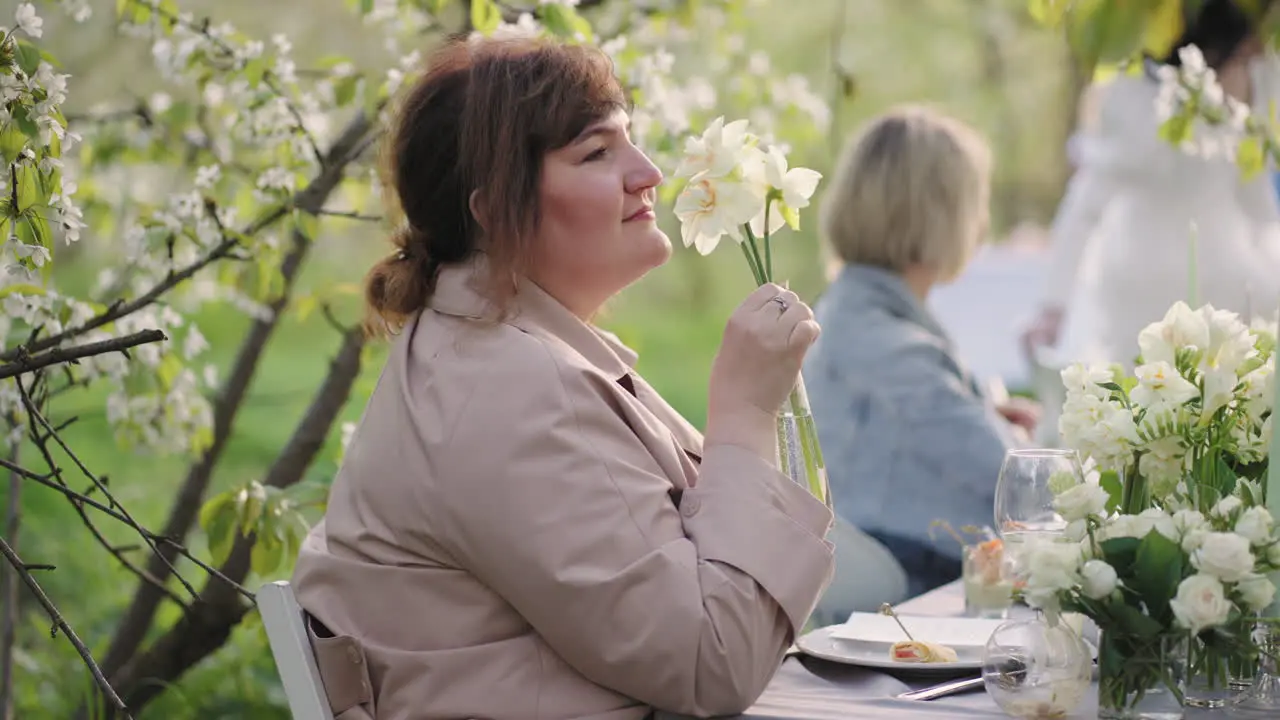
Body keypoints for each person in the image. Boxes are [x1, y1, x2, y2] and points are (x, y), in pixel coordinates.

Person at [289, 35, 835, 720]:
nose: (648, 173)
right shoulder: (508, 389)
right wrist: (746, 416)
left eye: (629, 140)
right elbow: (711, 663)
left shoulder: (488, 351)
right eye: (596, 152)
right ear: (492, 210)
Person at [803, 106, 1031, 599]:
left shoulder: (863, 315)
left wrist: (991, 415)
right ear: (942, 214)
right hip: (907, 588)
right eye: (976, 202)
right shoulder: (878, 338)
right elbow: (1008, 474)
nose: (982, 222)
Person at [1023, 0, 1280, 366]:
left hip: (1227, 269)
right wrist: (1053, 304)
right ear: (1213, 53)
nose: (1252, 68)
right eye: (1241, 59)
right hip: (1145, 277)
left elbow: (1255, 199)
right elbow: (1087, 204)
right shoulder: (1141, 101)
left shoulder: (1244, 103)